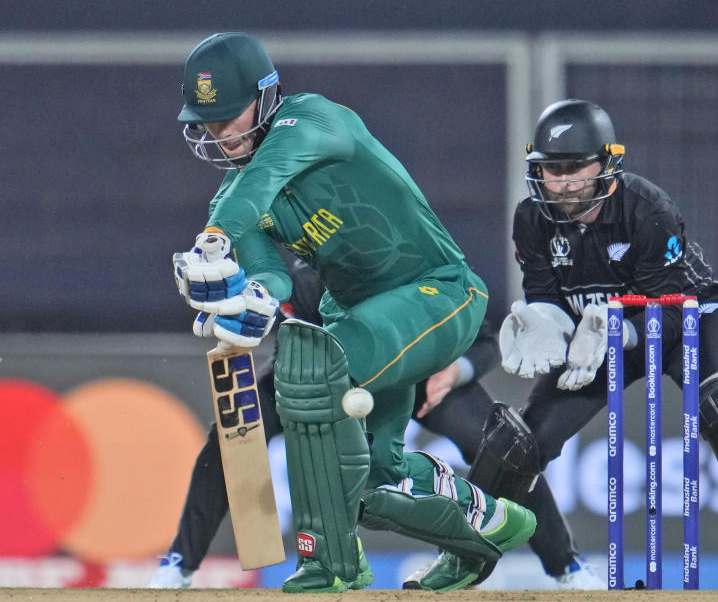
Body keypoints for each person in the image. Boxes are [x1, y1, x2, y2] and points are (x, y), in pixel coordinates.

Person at [167, 32, 536, 593]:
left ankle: (328, 567)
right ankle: (492, 522)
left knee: (310, 373)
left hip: (438, 291)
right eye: (208, 123)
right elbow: (269, 273)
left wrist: (212, 239)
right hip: (363, 317)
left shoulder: (313, 120)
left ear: (266, 97)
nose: (219, 134)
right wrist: (250, 304)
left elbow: (262, 180)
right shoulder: (234, 200)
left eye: (228, 117)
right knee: (370, 484)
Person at [411, 99, 718, 593]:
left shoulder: (648, 209)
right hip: (591, 338)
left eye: (574, 168)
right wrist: (545, 322)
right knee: (519, 441)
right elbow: (547, 297)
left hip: (683, 319)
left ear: (606, 163)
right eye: (551, 169)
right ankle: (460, 564)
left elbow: (670, 312)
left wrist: (619, 332)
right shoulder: (532, 219)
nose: (562, 183)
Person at [151, 250, 604, 590]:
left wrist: (453, 371)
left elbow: (482, 340)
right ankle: (179, 564)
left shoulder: (420, 265)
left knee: (510, 449)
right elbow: (289, 340)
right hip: (328, 377)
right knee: (235, 434)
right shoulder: (307, 281)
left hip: (425, 372)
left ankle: (566, 565)